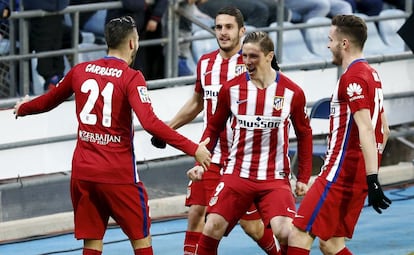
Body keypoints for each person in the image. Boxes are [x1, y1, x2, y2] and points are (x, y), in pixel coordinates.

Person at [13, 15, 211, 255]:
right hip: (118, 175)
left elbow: (48, 101)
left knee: (92, 242)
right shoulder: (131, 77)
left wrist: (23, 108)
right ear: (132, 44)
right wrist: (193, 148)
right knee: (141, 240)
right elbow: (150, 122)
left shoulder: (80, 70)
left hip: (84, 173)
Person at [151, 7, 282, 255]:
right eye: (218, 27)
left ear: (242, 31)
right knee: (197, 213)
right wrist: (166, 130)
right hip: (208, 155)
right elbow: (197, 102)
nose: (222, 32)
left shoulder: (252, 65)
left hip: (241, 161)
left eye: (229, 27)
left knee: (251, 225)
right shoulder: (205, 63)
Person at [192, 31, 313, 255]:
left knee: (286, 232)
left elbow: (305, 135)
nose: (247, 62)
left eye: (253, 56)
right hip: (237, 174)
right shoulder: (231, 89)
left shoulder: (291, 92)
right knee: (211, 226)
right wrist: (201, 159)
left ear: (269, 56)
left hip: (274, 178)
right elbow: (213, 127)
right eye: (244, 56)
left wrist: (304, 177)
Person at [287, 14, 392, 255]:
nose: (327, 45)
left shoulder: (352, 77)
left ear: (343, 43)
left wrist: (372, 177)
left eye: (330, 39)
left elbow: (366, 128)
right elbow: (384, 130)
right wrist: (368, 174)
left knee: (299, 233)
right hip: (353, 174)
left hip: (339, 173)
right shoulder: (372, 74)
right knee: (332, 244)